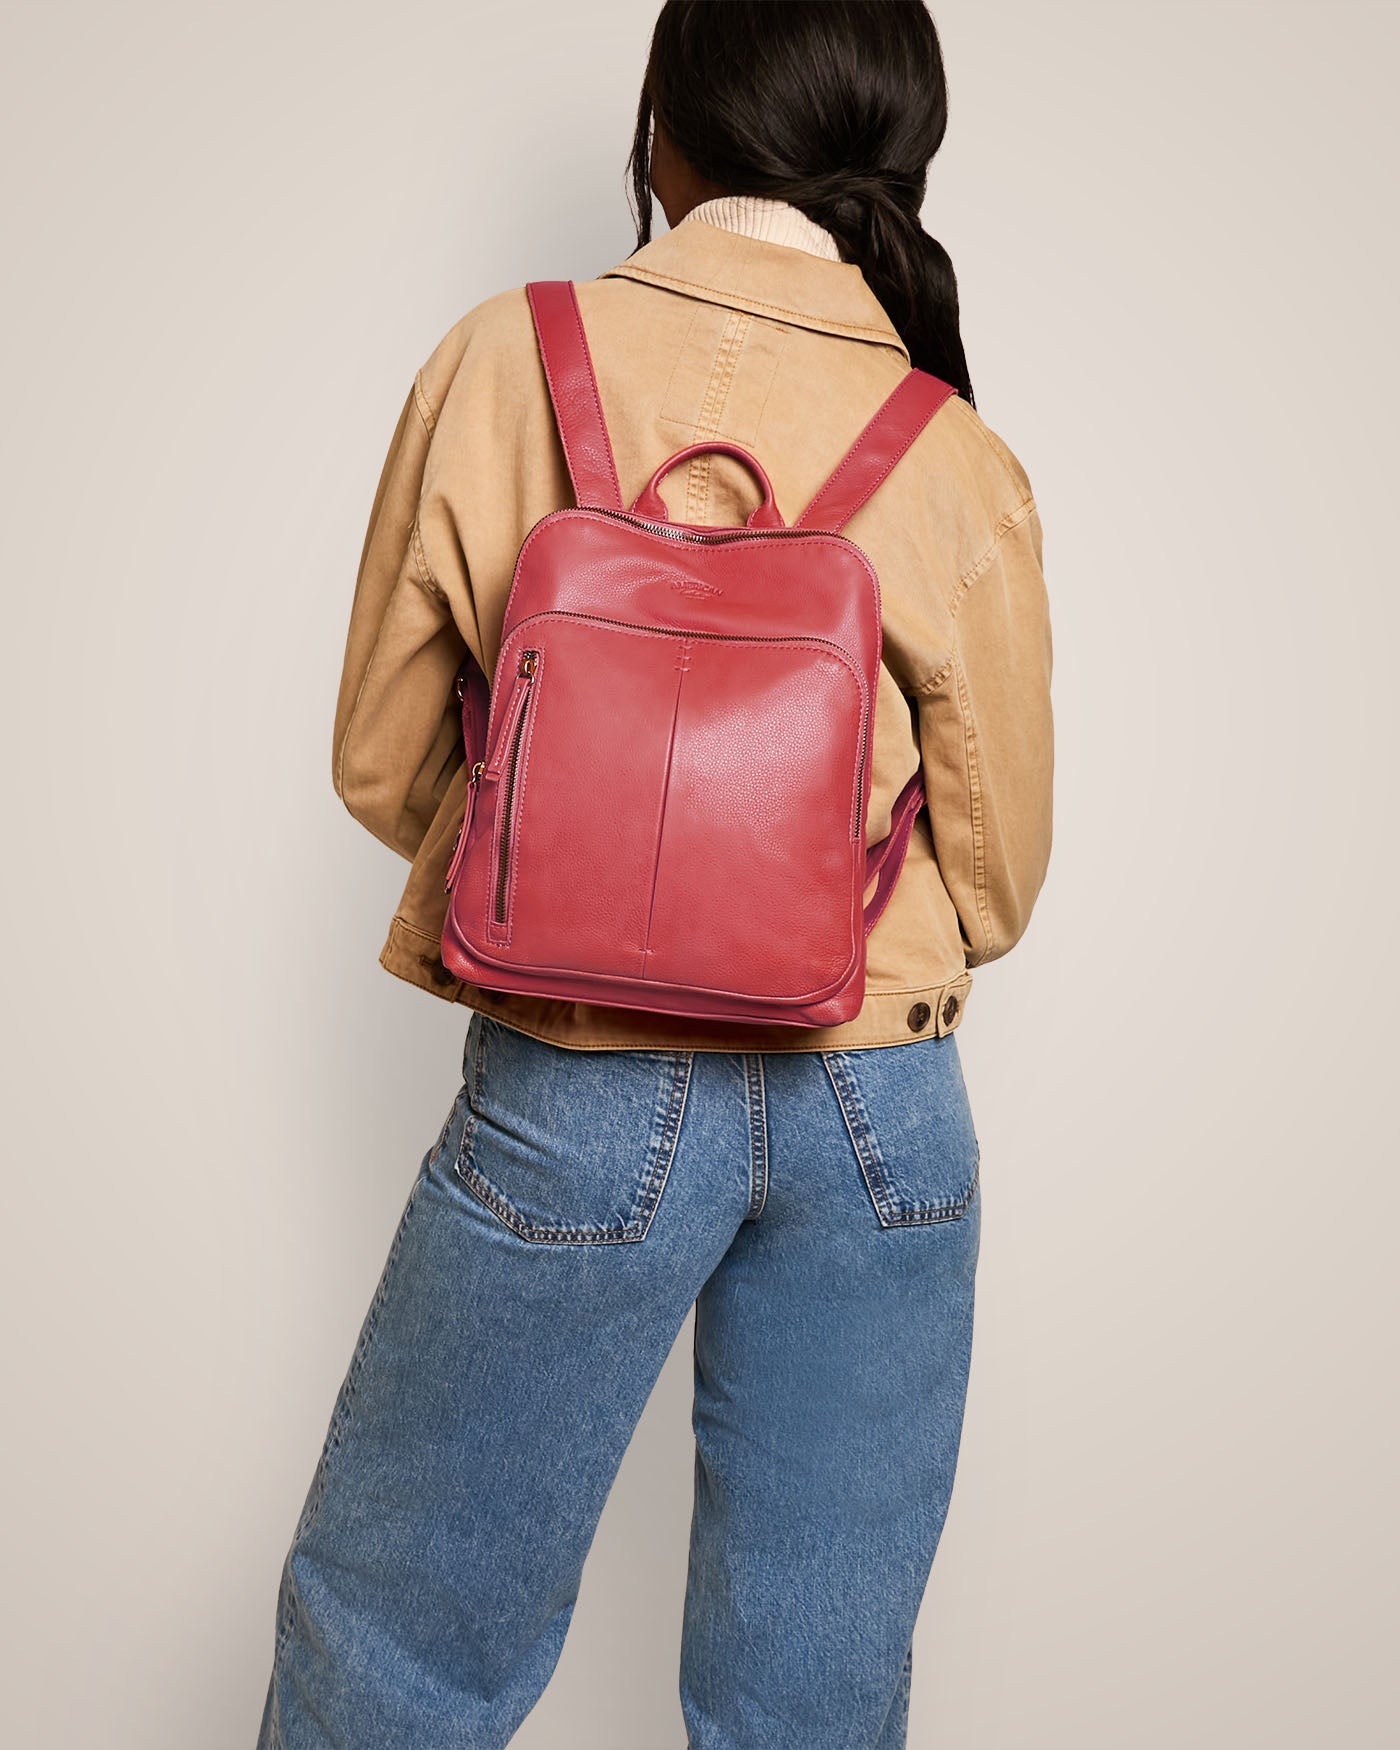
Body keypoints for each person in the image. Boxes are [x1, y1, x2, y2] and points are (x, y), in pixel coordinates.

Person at [256, 3, 1053, 1745]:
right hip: (882, 1114)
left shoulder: (501, 359)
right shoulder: (952, 446)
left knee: (397, 1652)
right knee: (813, 1712)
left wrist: (602, 870)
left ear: (663, 128)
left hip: (583, 1088)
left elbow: (381, 764)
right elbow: (994, 892)